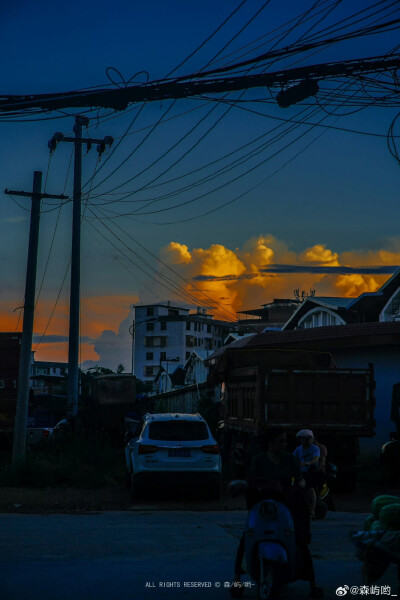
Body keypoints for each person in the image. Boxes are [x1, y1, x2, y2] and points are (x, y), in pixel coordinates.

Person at [232, 428, 323, 598]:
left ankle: (313, 583)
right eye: (280, 441)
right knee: (247, 538)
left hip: (286, 505)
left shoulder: (290, 459)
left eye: (285, 441)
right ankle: (237, 580)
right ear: (270, 442)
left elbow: (300, 479)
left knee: (299, 540)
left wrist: (301, 486)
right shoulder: (259, 460)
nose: (284, 444)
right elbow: (250, 481)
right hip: (262, 506)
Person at [293, 429, 320, 517]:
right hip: (301, 473)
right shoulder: (298, 449)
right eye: (302, 439)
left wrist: (308, 463)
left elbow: (316, 458)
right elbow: (293, 458)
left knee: (310, 489)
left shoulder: (315, 448)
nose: (303, 440)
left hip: (311, 472)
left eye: (306, 438)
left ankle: (312, 511)